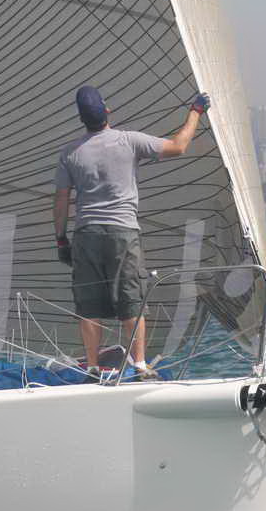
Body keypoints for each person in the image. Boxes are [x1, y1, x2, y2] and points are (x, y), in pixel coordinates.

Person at [53, 85, 210, 381]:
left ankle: (93, 369)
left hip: (86, 234)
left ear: (82, 119)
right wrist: (196, 111)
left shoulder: (70, 153)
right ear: (107, 111)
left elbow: (61, 199)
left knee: (89, 305)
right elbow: (178, 146)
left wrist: (61, 239)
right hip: (122, 233)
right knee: (131, 299)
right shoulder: (129, 141)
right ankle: (139, 365)